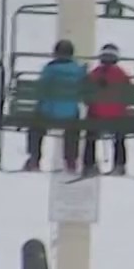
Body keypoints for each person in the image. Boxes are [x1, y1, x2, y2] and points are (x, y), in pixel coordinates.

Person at [23, 39, 87, 173]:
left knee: (35, 127)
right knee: (73, 127)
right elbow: (83, 93)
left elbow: (40, 91)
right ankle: (71, 161)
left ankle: (34, 159)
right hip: (69, 115)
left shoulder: (49, 69)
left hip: (48, 113)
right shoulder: (78, 71)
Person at [82, 43, 134, 176]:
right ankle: (119, 165)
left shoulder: (93, 74)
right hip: (117, 118)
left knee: (90, 134)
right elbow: (129, 96)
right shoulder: (122, 75)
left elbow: (86, 97)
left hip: (96, 116)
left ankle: (89, 164)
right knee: (120, 136)